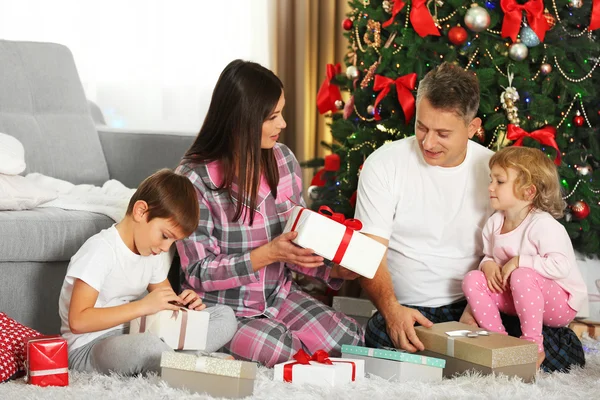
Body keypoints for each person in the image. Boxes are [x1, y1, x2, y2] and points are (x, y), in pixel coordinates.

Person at [354, 62, 585, 372]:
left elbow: (518, 248)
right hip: (413, 309)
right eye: (422, 127)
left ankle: (469, 356)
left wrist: (478, 308)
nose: (428, 142)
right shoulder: (383, 165)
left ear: (473, 127)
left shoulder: (496, 172)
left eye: (443, 133)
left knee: (559, 348)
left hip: (481, 304)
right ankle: (470, 357)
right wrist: (392, 310)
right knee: (382, 331)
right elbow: (367, 254)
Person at [176, 59, 363, 368]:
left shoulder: (283, 160)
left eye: (281, 113)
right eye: (273, 117)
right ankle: (214, 345)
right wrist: (266, 254)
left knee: (350, 341)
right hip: (221, 309)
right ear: (242, 121)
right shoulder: (194, 180)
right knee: (284, 354)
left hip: (279, 296)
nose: (283, 124)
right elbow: (197, 272)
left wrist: (332, 270)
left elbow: (296, 242)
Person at [59, 169, 238, 375]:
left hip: (141, 332)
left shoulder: (150, 255)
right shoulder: (101, 250)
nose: (165, 247)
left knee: (224, 316)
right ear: (141, 211)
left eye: (173, 241)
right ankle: (197, 363)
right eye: (165, 235)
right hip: (90, 346)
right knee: (149, 347)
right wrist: (143, 306)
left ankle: (184, 363)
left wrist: (186, 306)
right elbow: (78, 321)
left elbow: (168, 303)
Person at [462, 147, 588, 368]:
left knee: (522, 275)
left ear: (528, 192)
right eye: (491, 180)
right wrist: (488, 264)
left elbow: (561, 266)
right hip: (517, 295)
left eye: (499, 181)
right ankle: (499, 340)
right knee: (473, 278)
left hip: (560, 303)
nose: (490, 187)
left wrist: (520, 261)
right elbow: (488, 255)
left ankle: (533, 346)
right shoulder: (494, 223)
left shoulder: (543, 224)